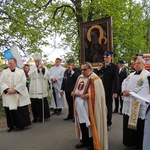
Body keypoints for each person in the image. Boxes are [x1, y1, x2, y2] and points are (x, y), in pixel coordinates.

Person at [72, 62, 108, 150]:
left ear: (91, 69)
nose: (82, 71)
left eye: (85, 69)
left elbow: (99, 94)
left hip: (91, 106)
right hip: (80, 105)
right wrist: (74, 93)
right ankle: (84, 141)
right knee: (82, 123)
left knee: (92, 123)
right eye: (81, 69)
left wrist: (88, 95)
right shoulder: (80, 77)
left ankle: (93, 143)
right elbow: (78, 88)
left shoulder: (96, 79)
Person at [122, 56, 150, 149]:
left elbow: (144, 87)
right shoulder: (131, 75)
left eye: (138, 63)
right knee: (128, 123)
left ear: (144, 65)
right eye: (135, 63)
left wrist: (130, 92)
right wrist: (123, 91)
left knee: (140, 124)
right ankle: (130, 142)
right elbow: (124, 83)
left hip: (139, 103)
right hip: (129, 102)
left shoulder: (147, 75)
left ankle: (139, 143)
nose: (136, 65)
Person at [0, 58, 31, 132]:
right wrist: (7, 89)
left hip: (18, 93)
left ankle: (21, 124)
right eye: (8, 63)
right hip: (8, 93)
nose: (9, 65)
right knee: (10, 109)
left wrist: (15, 90)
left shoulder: (21, 72)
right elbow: (1, 82)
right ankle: (11, 126)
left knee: (19, 109)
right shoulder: (4, 72)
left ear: (15, 64)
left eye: (11, 63)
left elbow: (23, 82)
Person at [98, 51, 119, 131]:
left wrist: (115, 91)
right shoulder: (103, 67)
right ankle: (102, 121)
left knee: (109, 107)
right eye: (104, 57)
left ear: (111, 58)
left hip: (109, 91)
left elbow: (116, 80)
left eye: (107, 57)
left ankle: (109, 122)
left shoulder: (114, 67)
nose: (105, 59)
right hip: (101, 90)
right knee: (101, 106)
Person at [29, 52, 50, 123]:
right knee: (34, 103)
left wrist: (43, 69)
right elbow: (30, 75)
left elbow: (46, 75)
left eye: (38, 61)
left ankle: (41, 116)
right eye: (36, 61)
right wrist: (37, 69)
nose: (37, 62)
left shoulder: (44, 67)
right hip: (34, 87)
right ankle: (35, 117)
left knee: (40, 103)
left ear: (40, 61)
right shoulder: (32, 68)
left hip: (41, 86)